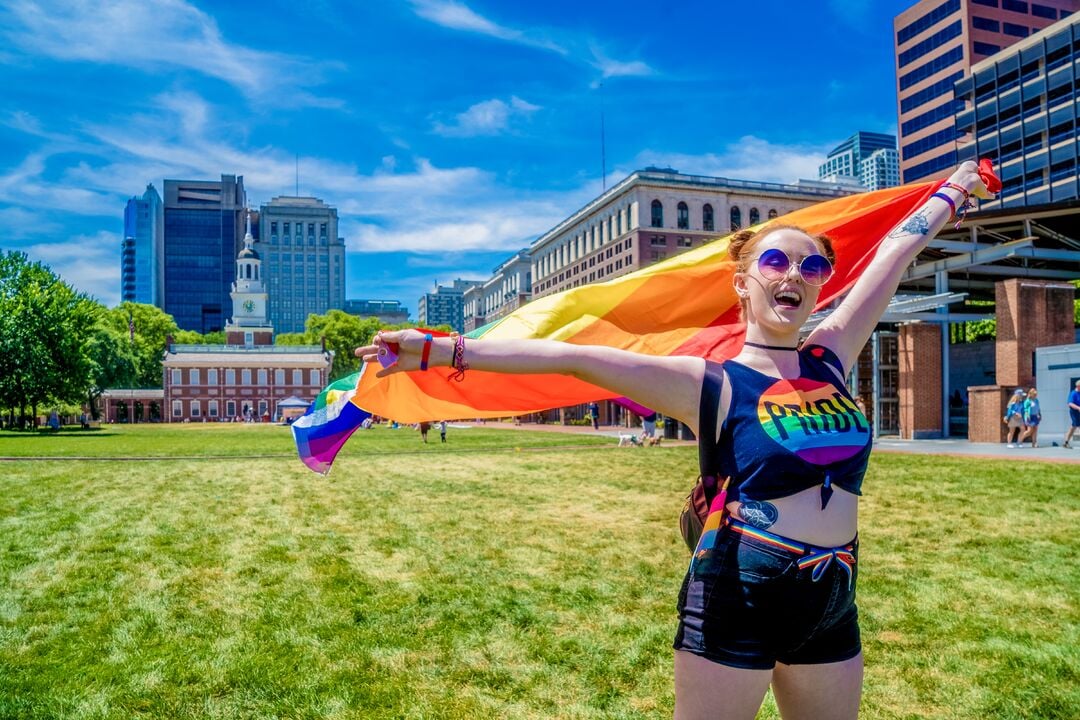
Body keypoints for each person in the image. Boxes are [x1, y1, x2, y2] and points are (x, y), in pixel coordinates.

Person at [355, 161, 993, 720]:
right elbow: (575, 358)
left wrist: (954, 192)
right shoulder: (706, 381)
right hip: (739, 588)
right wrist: (437, 348)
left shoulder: (830, 356)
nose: (794, 273)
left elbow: (893, 257)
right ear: (742, 283)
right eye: (775, 260)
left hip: (833, 591)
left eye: (812, 264)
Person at [1065, 379, 1080, 449]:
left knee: (1074, 427)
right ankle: (1066, 442)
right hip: (1074, 412)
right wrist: (1078, 408)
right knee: (1074, 426)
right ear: (1078, 386)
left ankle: (1066, 441)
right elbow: (1070, 403)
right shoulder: (1073, 393)